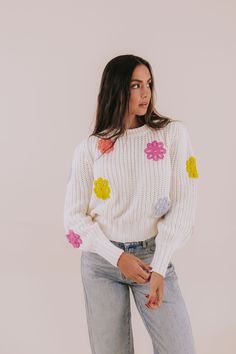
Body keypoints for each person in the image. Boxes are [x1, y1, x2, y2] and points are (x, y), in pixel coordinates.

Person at [63, 54, 199, 354]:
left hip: (152, 259)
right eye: (136, 85)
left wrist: (161, 265)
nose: (146, 92)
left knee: (180, 348)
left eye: (148, 83)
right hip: (101, 262)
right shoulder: (90, 148)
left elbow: (185, 202)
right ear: (116, 89)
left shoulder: (171, 135)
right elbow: (73, 220)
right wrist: (116, 257)